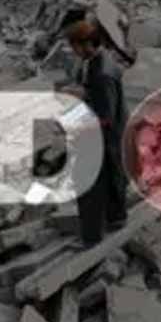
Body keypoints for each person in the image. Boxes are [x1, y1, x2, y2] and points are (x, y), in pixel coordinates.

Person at [63, 17, 128, 246]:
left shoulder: (102, 74)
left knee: (88, 185)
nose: (74, 52)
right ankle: (116, 218)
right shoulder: (100, 61)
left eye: (75, 47)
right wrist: (85, 93)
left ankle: (91, 236)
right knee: (112, 176)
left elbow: (104, 117)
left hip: (100, 136)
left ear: (87, 44)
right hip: (111, 134)